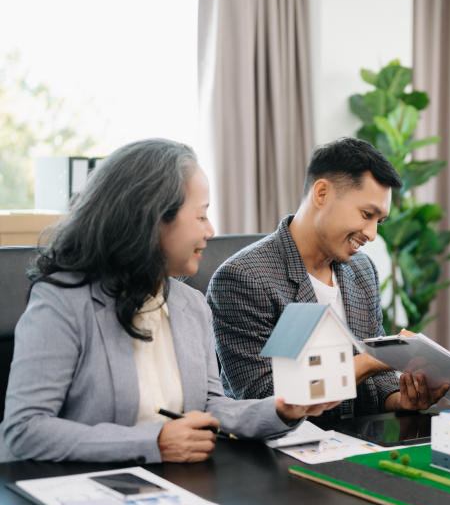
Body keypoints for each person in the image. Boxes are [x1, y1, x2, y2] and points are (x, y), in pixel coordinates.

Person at [0, 139, 336, 465]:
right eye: (201, 216)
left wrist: (280, 409)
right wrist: (154, 442)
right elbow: (24, 430)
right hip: (80, 496)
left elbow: (209, 406)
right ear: (154, 218)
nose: (211, 230)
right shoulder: (62, 303)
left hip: (175, 489)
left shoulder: (191, 304)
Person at [207, 137, 449, 418]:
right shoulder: (243, 278)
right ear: (321, 193)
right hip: (277, 453)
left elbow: (375, 386)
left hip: (350, 446)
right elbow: (264, 398)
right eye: (367, 214)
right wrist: (372, 360)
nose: (371, 234)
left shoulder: (362, 271)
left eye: (378, 222)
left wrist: (398, 400)